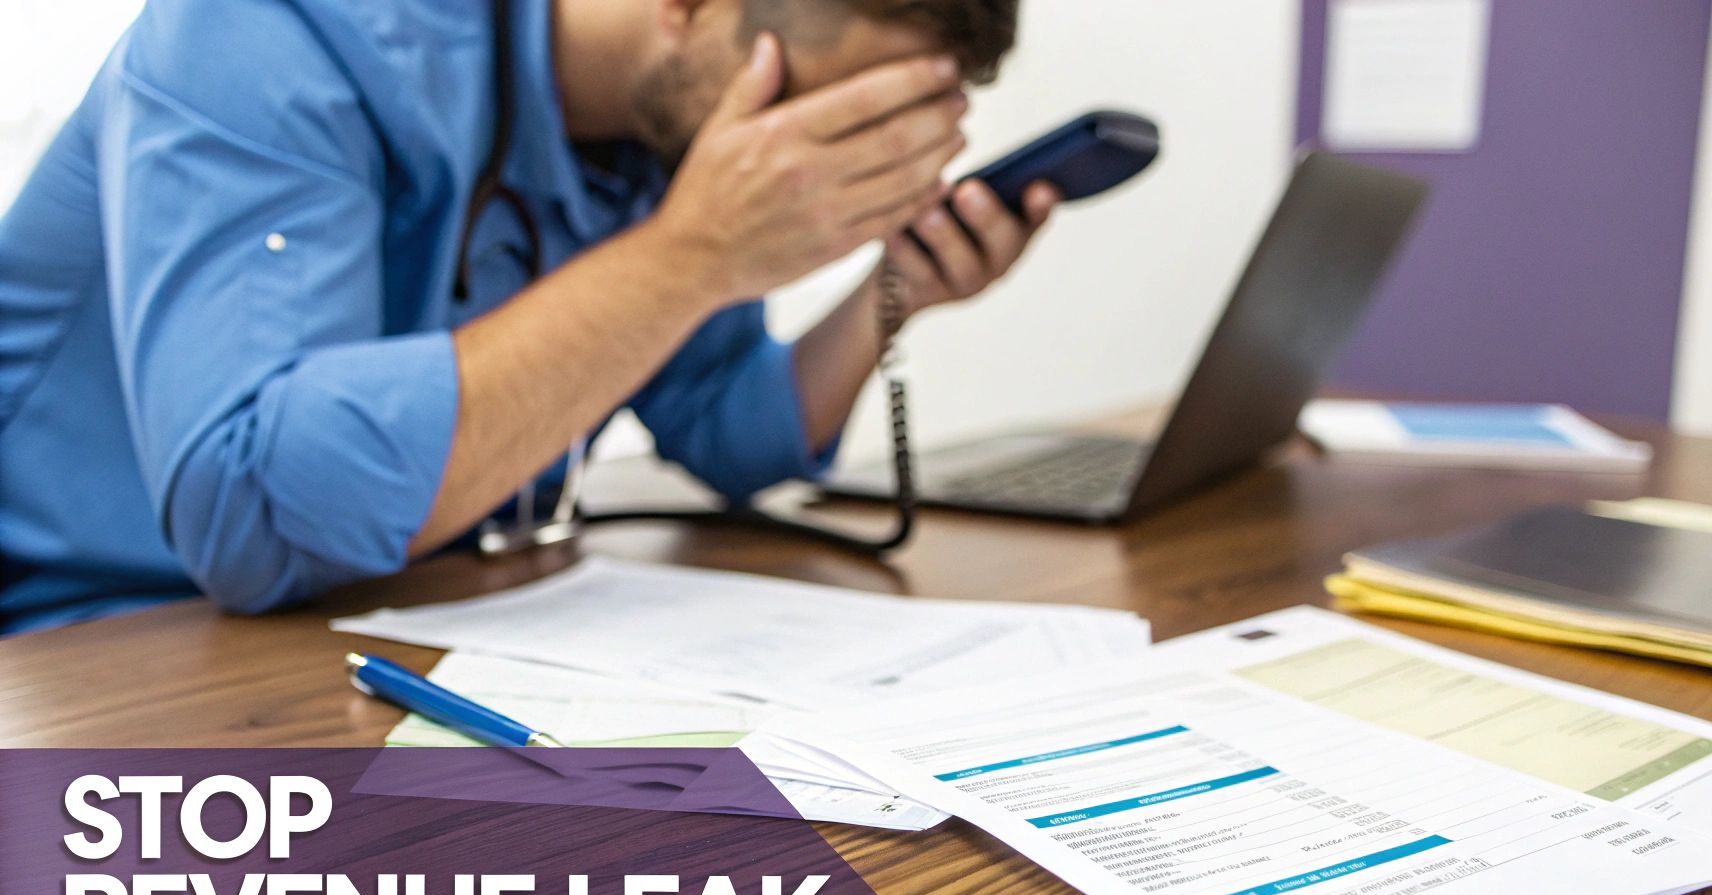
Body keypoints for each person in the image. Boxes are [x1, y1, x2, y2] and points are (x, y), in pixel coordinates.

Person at [0, 0, 1060, 634]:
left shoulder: (670, 129)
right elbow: (250, 512)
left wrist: (893, 293)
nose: (814, 172)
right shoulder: (272, 34)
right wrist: (691, 256)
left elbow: (723, 427)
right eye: (826, 122)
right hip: (88, 642)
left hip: (395, 613)